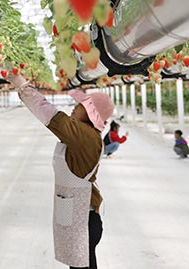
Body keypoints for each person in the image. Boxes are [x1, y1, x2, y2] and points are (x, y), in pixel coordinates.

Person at [7, 73, 114, 269]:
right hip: (82, 218)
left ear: (91, 114)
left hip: (84, 221)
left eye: (81, 105)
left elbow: (53, 117)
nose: (74, 107)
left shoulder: (85, 136)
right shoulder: (84, 134)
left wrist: (24, 88)